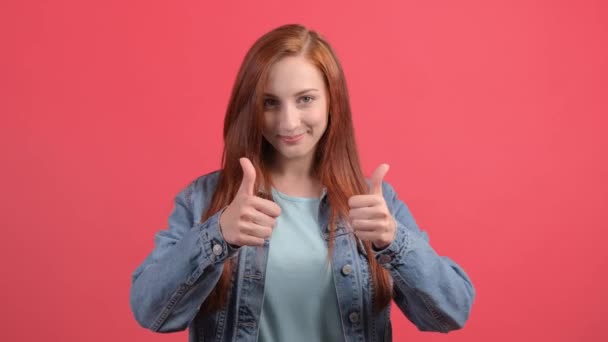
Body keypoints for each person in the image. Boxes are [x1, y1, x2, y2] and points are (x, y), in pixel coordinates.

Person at [129, 23, 475, 342]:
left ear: (331, 103)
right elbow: (153, 313)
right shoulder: (204, 199)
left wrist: (393, 241)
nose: (288, 121)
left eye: (305, 99)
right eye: (270, 103)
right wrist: (217, 234)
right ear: (250, 107)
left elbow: (450, 313)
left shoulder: (372, 203)